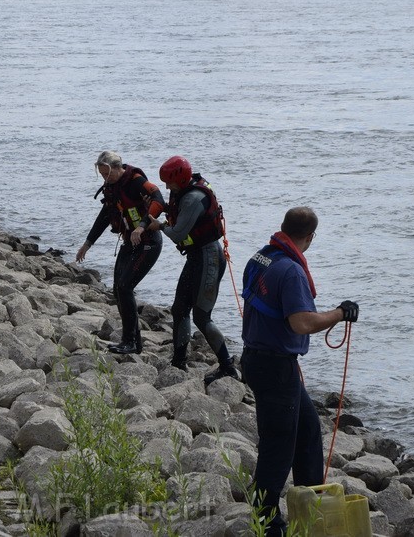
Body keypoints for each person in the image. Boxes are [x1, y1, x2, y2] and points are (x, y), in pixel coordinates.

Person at [239, 206, 359, 536]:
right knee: (278, 448)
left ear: (283, 228)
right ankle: (265, 520)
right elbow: (301, 322)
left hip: (256, 359)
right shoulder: (291, 270)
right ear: (309, 238)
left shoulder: (261, 257)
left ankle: (312, 503)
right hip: (275, 367)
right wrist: (339, 314)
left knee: (306, 431)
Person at [141, 155, 236, 384]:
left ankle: (227, 367)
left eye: (168, 182)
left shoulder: (194, 198)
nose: (165, 186)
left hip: (209, 258)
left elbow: (177, 234)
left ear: (180, 179)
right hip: (196, 257)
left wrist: (159, 225)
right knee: (179, 308)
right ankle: (179, 361)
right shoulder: (182, 190)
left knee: (202, 317)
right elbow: (172, 210)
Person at [76, 151, 165, 354]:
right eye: (101, 174)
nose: (104, 178)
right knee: (118, 289)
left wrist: (142, 226)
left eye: (107, 173)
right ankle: (135, 342)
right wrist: (87, 244)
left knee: (125, 287)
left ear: (117, 167)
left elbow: (158, 199)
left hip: (148, 242)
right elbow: (105, 216)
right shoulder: (111, 187)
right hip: (129, 242)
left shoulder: (135, 181)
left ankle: (130, 342)